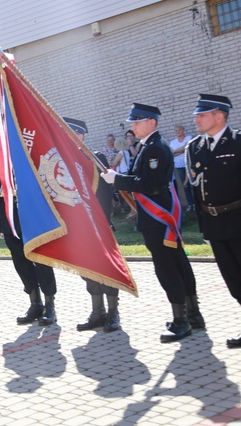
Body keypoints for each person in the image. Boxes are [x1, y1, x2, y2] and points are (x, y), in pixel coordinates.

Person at [101, 104, 204, 342]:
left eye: (137, 122)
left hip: (158, 219)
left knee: (168, 267)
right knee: (177, 263)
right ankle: (193, 314)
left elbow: (148, 183)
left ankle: (182, 320)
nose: (133, 126)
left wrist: (117, 179)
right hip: (158, 216)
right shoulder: (149, 146)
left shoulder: (155, 148)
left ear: (152, 122)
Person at [186, 94, 241, 348]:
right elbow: (196, 192)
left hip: (238, 219)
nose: (196, 119)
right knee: (233, 279)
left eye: (202, 114)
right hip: (215, 224)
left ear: (219, 116)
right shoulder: (195, 147)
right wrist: (203, 226)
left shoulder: (237, 142)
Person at [64, 118, 121, 332]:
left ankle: (113, 312)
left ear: (80, 136)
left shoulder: (95, 158)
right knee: (88, 271)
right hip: (78, 228)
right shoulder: (63, 160)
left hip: (98, 225)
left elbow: (105, 194)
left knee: (107, 269)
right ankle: (97, 312)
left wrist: (102, 222)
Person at [0, 151, 57, 325]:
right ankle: (35, 303)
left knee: (41, 259)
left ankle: (50, 305)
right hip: (11, 218)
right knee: (20, 262)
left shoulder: (25, 147)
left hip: (32, 214)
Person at [170, 124, 194, 212]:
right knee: (185, 185)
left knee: (193, 184)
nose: (177, 132)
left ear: (183, 130)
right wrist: (183, 150)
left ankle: (196, 204)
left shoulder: (189, 138)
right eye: (176, 130)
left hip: (189, 165)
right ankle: (190, 204)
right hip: (179, 166)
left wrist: (181, 150)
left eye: (179, 130)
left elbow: (187, 148)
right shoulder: (173, 142)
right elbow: (172, 153)